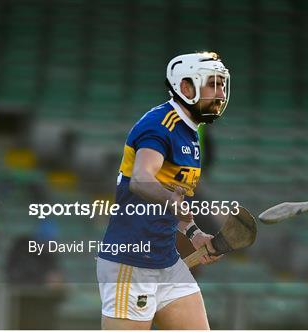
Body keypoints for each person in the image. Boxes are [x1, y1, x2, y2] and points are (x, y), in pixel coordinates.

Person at [96, 52, 230, 329]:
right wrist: (171, 199)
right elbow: (141, 180)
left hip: (166, 260)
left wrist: (193, 232)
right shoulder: (160, 124)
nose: (220, 93)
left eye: (222, 84)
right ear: (186, 87)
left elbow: (174, 197)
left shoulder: (191, 132)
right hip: (130, 263)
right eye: (212, 84)